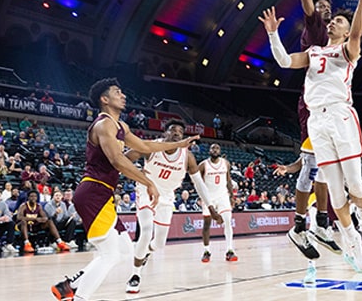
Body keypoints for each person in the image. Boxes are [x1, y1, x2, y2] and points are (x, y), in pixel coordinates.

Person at [258, 0, 362, 273]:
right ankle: (351, 239)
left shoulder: (350, 50)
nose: (332, 22)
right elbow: (284, 61)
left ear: (344, 30)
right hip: (317, 120)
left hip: (341, 115)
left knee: (354, 183)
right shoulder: (314, 52)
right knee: (335, 191)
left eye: (337, 20)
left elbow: (359, 28)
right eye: (333, 19)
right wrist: (273, 34)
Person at [51, 78, 199, 301]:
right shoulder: (104, 124)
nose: (123, 95)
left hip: (104, 194)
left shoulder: (121, 126)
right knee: (110, 255)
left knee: (125, 250)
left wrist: (179, 145)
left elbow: (147, 146)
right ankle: (79, 297)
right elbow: (118, 161)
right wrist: (149, 182)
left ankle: (69, 286)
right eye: (117, 92)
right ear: (105, 99)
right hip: (93, 191)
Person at [281, 0, 341, 276]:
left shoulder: (336, 38)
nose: (326, 11)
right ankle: (299, 224)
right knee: (311, 164)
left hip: (330, 105)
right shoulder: (315, 26)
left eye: (329, 9)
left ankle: (319, 220)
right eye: (322, 8)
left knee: (324, 165)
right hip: (312, 102)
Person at [124, 119, 217, 294]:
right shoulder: (151, 147)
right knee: (145, 230)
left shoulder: (187, 156)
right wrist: (137, 175)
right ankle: (135, 275)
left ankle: (145, 254)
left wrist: (210, 205)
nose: (177, 134)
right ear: (164, 133)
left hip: (167, 196)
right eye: (173, 130)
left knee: (159, 244)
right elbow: (124, 160)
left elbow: (199, 183)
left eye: (181, 132)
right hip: (147, 189)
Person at [273, 156, 342, 284]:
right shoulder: (312, 146)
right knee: (314, 227)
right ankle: (311, 267)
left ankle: (353, 251)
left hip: (331, 193)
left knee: (340, 224)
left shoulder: (333, 147)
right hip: (314, 195)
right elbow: (299, 163)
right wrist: (287, 168)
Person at [198, 143, 238, 263]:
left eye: (217, 148)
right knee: (206, 224)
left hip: (222, 196)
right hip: (208, 198)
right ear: (209, 151)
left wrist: (231, 196)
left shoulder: (225, 163)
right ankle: (206, 251)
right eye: (212, 148)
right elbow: (198, 183)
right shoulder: (203, 165)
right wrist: (201, 197)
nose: (215, 150)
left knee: (227, 222)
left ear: (220, 151)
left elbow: (228, 180)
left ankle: (230, 250)